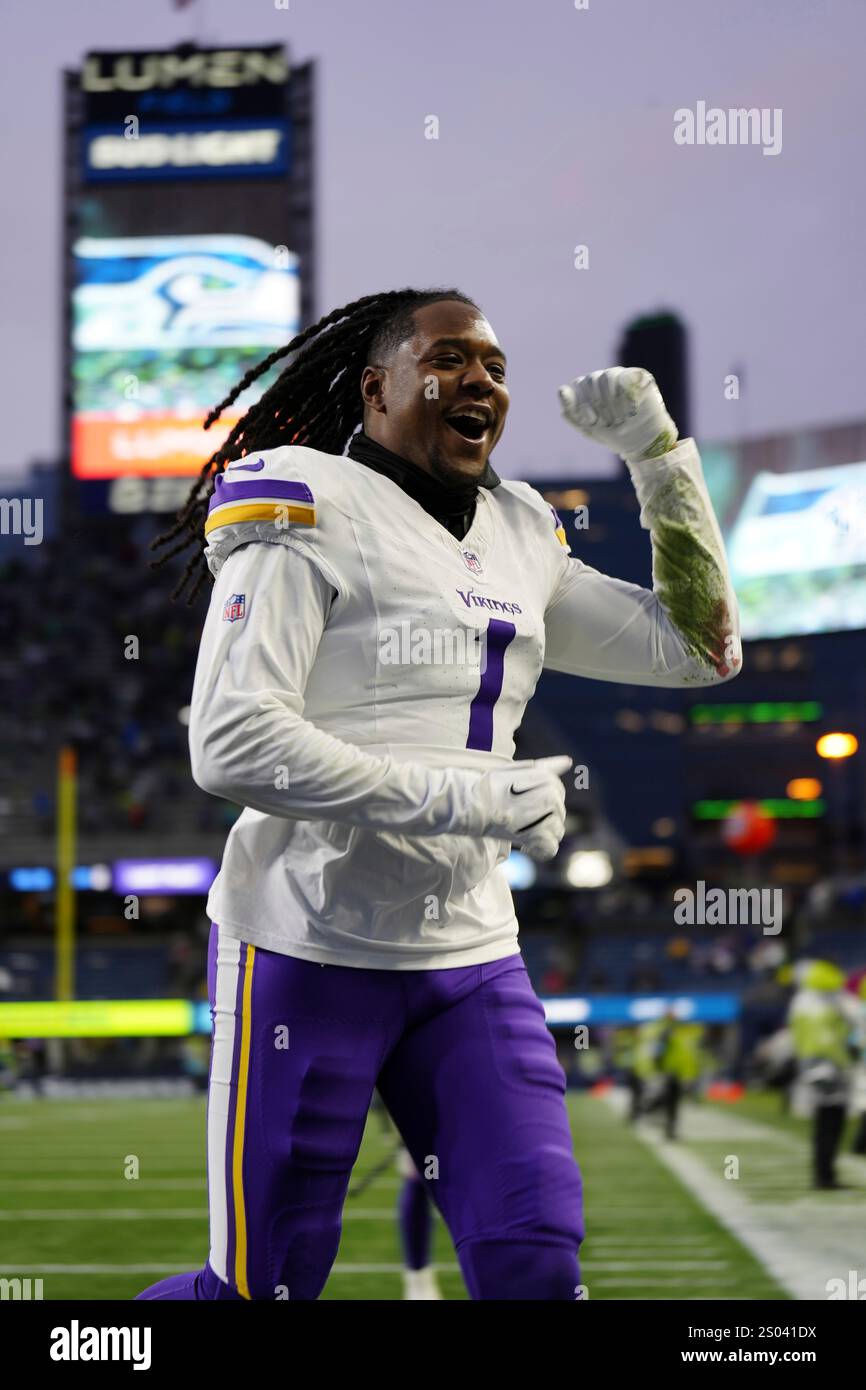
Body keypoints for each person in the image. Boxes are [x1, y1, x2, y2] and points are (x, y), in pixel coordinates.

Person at [137, 287, 740, 1301]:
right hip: (305, 946)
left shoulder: (517, 530)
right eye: (449, 358)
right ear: (375, 389)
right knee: (264, 1288)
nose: (481, 382)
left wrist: (657, 457)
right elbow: (233, 741)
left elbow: (700, 649)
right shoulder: (304, 500)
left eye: (496, 367)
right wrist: (468, 798)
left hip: (467, 958)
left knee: (535, 1265)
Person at [789, 961, 860, 1189]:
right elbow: (856, 1022)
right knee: (832, 1123)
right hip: (831, 1066)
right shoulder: (833, 998)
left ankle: (823, 1174)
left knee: (824, 1123)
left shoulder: (801, 1000)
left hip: (811, 1067)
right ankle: (825, 1176)